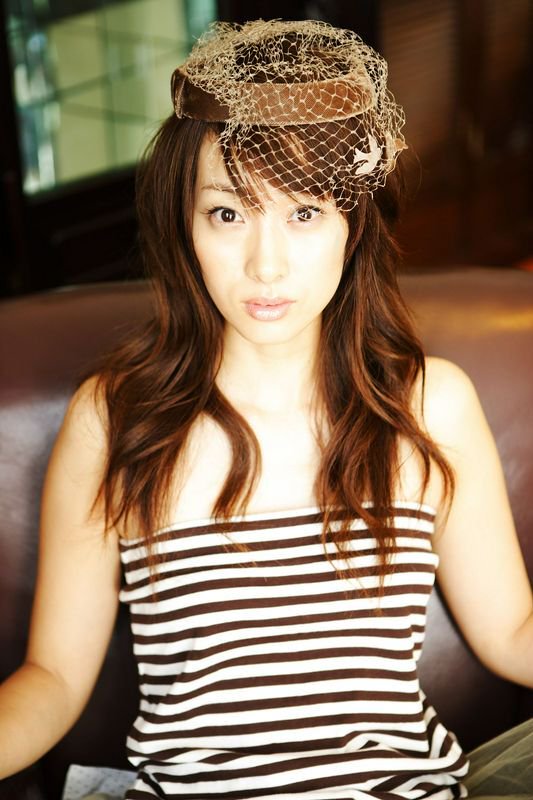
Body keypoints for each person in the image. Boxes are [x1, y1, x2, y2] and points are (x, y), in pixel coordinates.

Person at [0, 18, 532, 800]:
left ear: (351, 225)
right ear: (184, 225)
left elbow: (513, 634)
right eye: (228, 214)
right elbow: (51, 677)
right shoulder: (114, 419)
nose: (266, 264)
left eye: (304, 212)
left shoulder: (428, 404)